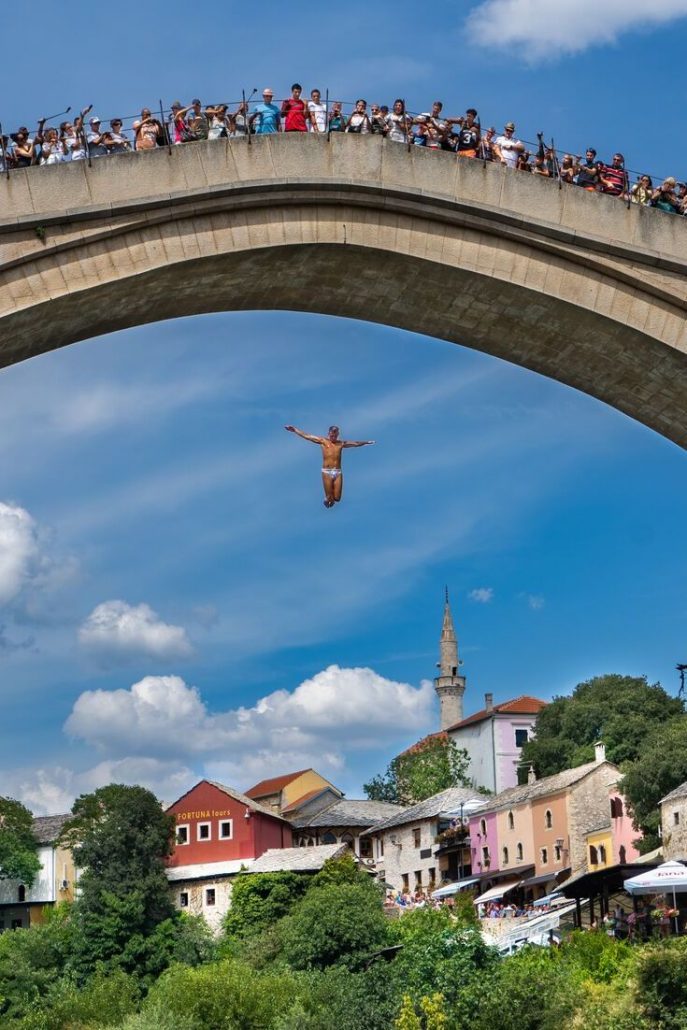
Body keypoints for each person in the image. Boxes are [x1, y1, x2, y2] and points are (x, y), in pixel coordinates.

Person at [284, 424, 374, 507]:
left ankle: (330, 499)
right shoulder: (323, 441)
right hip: (326, 472)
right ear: (328, 433)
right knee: (330, 498)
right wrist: (295, 430)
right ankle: (327, 499)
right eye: (331, 435)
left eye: (335, 436)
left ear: (338, 434)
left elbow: (356, 443)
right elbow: (307, 436)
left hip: (338, 472)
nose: (333, 437)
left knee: (337, 499)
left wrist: (367, 442)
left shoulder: (341, 444)